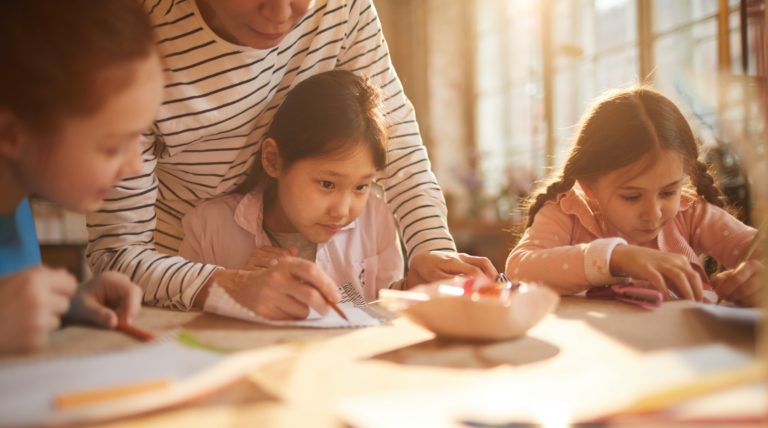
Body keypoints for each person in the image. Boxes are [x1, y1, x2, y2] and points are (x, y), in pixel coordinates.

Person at [85, 0, 496, 313]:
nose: (280, 14)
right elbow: (118, 254)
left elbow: (398, 148)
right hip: (183, 279)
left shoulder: (343, 8)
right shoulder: (136, 32)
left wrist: (430, 247)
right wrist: (231, 286)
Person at [0, 0, 164, 352]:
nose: (135, 165)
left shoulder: (13, 203)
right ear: (12, 134)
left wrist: (66, 304)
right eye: (112, 146)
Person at [505, 86, 763, 306]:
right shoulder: (567, 212)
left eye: (668, 192)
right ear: (589, 186)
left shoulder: (691, 213)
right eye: (632, 197)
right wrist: (616, 258)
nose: (653, 213)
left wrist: (756, 280)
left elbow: (758, 249)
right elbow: (520, 268)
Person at [180, 70, 404, 318]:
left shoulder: (377, 219)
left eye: (361, 186)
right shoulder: (209, 227)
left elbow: (384, 316)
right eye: (327, 184)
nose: (341, 210)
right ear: (273, 160)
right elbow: (182, 319)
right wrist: (239, 288)